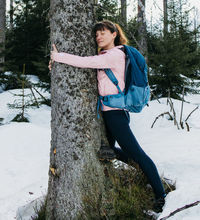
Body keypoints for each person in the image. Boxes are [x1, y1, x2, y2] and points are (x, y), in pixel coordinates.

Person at [49, 20, 166, 212]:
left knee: (136, 153)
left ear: (114, 34)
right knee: (109, 150)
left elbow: (87, 63)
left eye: (103, 33)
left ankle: (160, 194)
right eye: (96, 35)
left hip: (115, 114)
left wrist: (58, 56)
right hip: (109, 112)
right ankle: (144, 172)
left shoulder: (115, 55)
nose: (99, 37)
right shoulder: (106, 55)